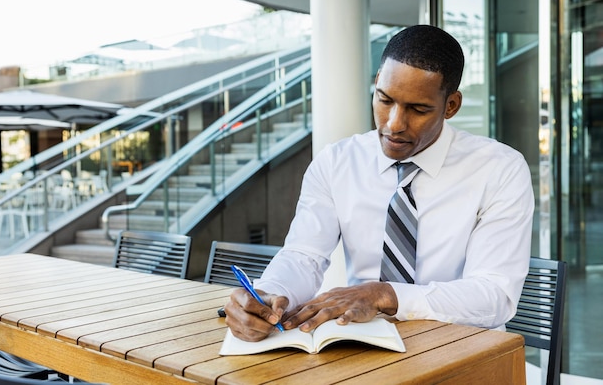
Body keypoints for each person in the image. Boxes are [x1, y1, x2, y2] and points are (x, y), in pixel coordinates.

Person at [224, 24, 535, 342]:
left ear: (451, 105)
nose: (394, 124)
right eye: (385, 100)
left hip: (461, 347)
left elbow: (494, 295)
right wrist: (270, 295)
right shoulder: (337, 162)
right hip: (361, 346)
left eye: (418, 109)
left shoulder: (499, 169)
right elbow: (303, 256)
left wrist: (385, 295)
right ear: (376, 85)